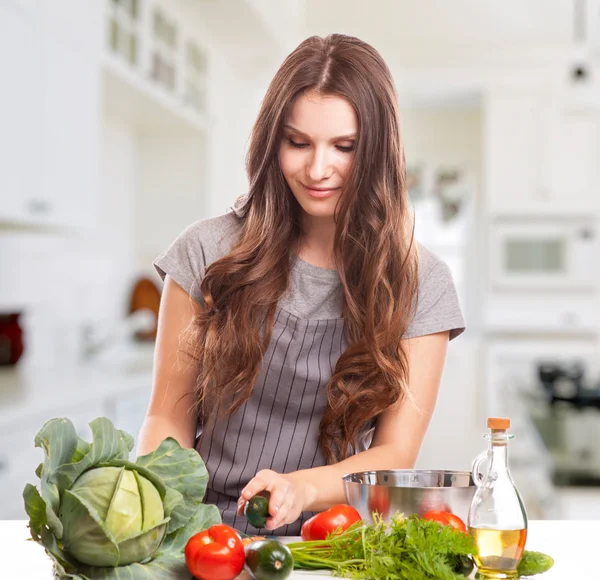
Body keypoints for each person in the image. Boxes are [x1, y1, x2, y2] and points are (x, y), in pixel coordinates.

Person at [137, 33, 465, 536]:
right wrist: (163, 509)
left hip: (336, 539)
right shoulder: (204, 253)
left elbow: (396, 452)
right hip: (204, 535)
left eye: (344, 147)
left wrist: (301, 488)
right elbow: (167, 418)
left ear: (378, 151)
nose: (317, 168)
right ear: (273, 142)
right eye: (298, 142)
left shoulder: (423, 283)